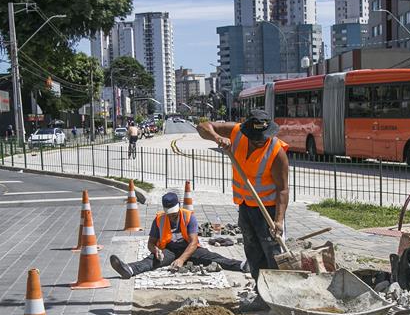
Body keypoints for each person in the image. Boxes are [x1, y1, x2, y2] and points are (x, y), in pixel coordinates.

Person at [197, 109, 289, 283]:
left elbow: (283, 189)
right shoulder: (236, 132)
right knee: (253, 251)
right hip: (245, 206)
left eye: (263, 138)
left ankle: (276, 293)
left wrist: (279, 220)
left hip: (267, 210)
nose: (259, 142)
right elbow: (202, 127)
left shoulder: (277, 152)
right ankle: (259, 291)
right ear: (247, 132)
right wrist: (218, 138)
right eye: (255, 138)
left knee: (273, 253)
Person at [109, 192, 248, 278]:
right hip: (168, 251)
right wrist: (155, 250)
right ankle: (129, 269)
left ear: (179, 207)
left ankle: (242, 265)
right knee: (151, 261)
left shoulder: (188, 217)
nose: (172, 217)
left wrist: (181, 260)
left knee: (214, 258)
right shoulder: (159, 219)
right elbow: (151, 242)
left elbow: (193, 242)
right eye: (170, 215)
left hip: (189, 249)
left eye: (175, 214)